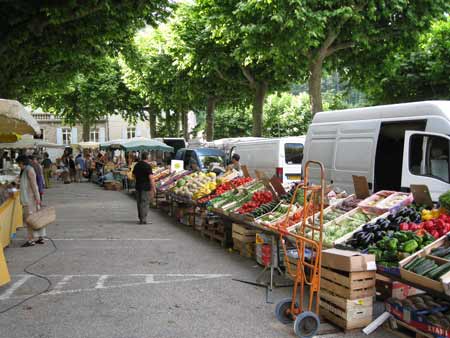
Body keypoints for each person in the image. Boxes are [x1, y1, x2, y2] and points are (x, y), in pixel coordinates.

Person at [17, 155, 45, 247]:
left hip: (30, 199)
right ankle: (40, 238)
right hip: (29, 198)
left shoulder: (29, 170)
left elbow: (34, 186)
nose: (18, 165)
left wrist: (38, 199)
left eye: (19, 163)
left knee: (30, 220)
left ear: (22, 162)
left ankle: (31, 240)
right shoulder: (25, 170)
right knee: (34, 219)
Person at [132, 152, 156, 224]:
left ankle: (141, 218)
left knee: (139, 203)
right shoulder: (147, 166)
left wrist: (138, 178)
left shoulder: (137, 165)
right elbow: (151, 178)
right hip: (145, 187)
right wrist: (154, 188)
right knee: (145, 203)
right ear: (147, 157)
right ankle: (143, 220)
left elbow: (133, 175)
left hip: (138, 186)